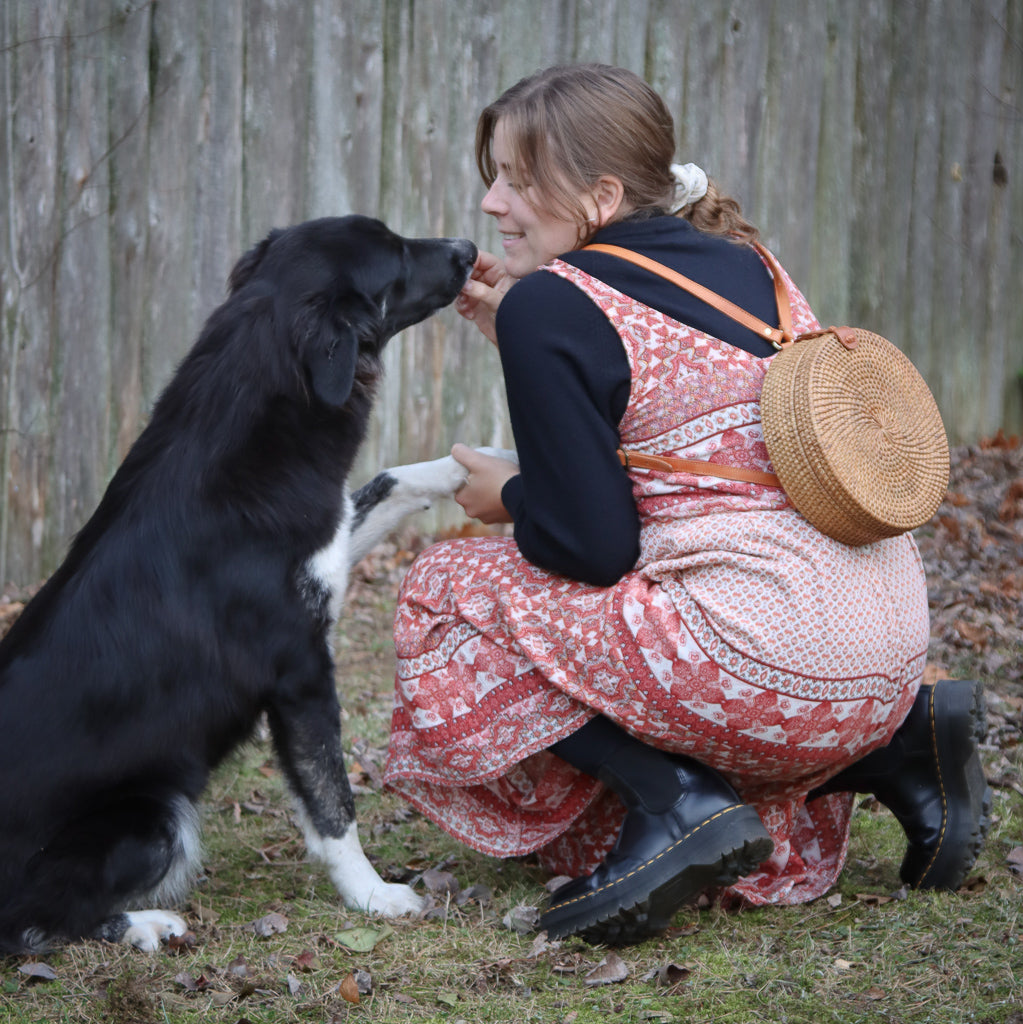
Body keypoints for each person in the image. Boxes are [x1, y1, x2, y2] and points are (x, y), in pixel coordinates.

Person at [382, 63, 990, 945]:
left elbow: (590, 546)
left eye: (516, 177)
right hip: (886, 654)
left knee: (444, 589)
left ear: (600, 194)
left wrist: (505, 495)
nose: (490, 202)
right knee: (657, 620)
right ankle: (900, 748)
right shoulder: (754, 263)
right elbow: (680, 447)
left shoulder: (554, 306)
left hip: (767, 664)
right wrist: (515, 331)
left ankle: (676, 803)